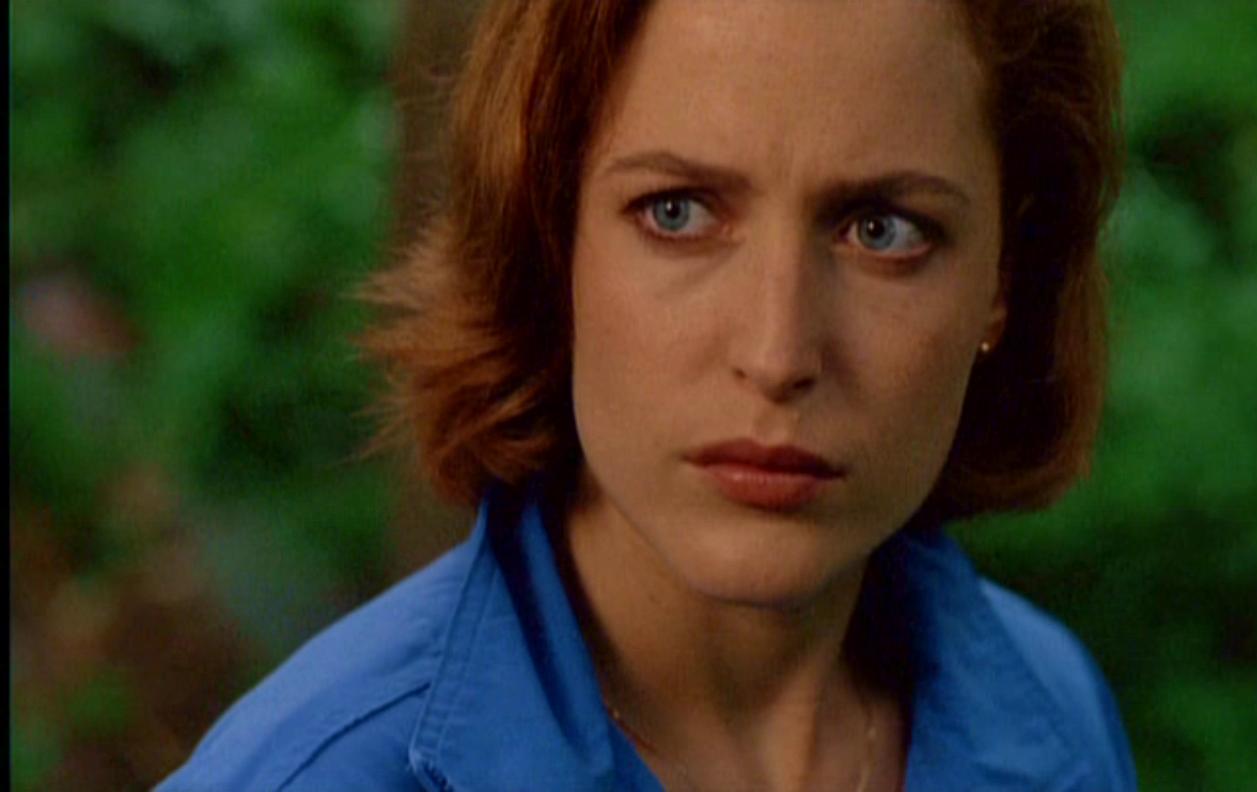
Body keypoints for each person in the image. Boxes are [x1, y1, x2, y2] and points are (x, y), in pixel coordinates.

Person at [159, 0, 1134, 789]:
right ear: (553, 241)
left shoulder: (1051, 717)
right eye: (678, 213)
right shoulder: (311, 775)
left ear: (1004, 277)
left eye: (882, 230)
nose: (776, 352)